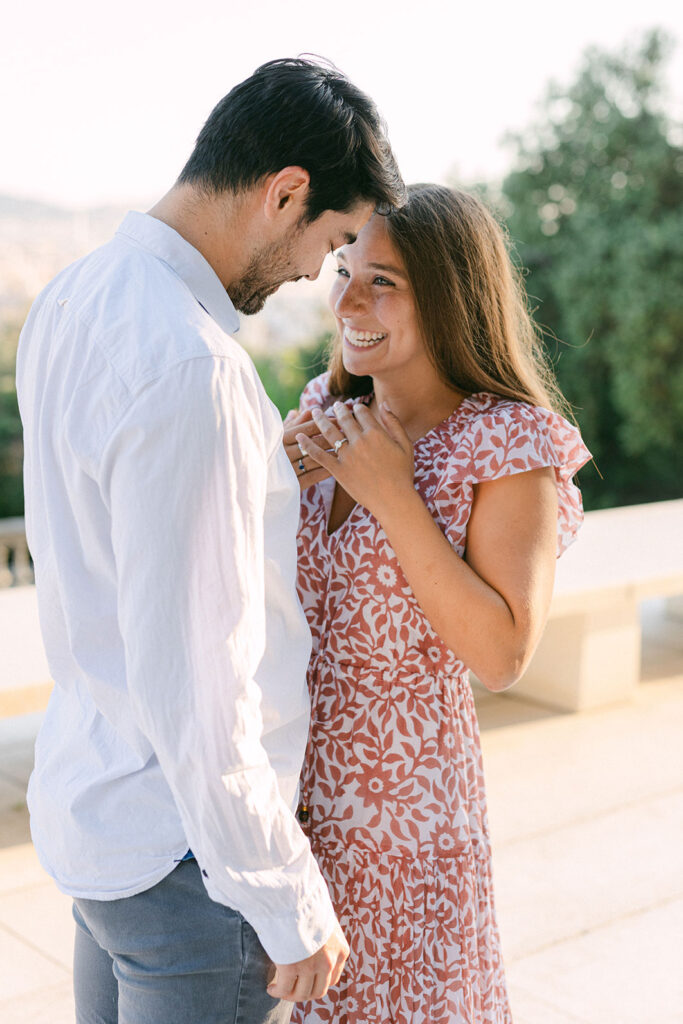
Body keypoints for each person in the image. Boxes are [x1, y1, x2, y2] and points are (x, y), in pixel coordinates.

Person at [16, 58, 404, 1024]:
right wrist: (285, 898)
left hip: (101, 828)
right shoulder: (195, 367)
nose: (320, 272)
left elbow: (116, 541)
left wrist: (258, 474)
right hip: (191, 866)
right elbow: (200, 683)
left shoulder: (70, 299)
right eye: (332, 239)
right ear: (285, 192)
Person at [283, 184, 591, 1023]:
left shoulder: (506, 443)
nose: (347, 299)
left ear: (452, 298)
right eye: (345, 270)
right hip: (285, 819)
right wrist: (264, 478)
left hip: (404, 832)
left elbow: (501, 655)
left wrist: (392, 494)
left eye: (381, 281)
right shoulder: (321, 410)